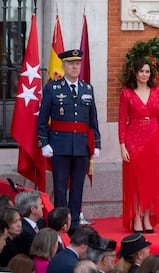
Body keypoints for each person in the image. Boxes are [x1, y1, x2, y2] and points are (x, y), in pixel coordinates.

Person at [38, 49, 101, 232]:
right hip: (59, 145)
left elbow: (93, 118)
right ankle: (59, 225)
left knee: (77, 187)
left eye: (77, 63)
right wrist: (45, 142)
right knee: (59, 188)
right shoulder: (52, 88)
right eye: (71, 63)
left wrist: (96, 143)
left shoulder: (87, 88)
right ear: (64, 66)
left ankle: (73, 225)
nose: (75, 67)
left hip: (81, 146)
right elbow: (43, 119)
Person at [118, 57, 159, 233]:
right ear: (136, 73)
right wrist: (122, 146)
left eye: (147, 71)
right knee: (136, 182)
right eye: (141, 71)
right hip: (134, 141)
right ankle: (136, 218)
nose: (144, 74)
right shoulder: (127, 93)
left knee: (151, 182)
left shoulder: (156, 91)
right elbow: (122, 121)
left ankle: (147, 218)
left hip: (154, 140)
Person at [14, 191, 44, 255]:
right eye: (40, 204)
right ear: (33, 209)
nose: (43, 206)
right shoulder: (24, 233)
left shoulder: (40, 222)